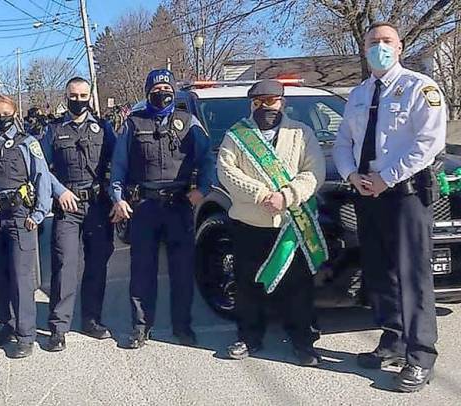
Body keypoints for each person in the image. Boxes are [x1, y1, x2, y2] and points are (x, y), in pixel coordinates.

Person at [333, 22, 446, 392]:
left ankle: (420, 356)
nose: (379, 47)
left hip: (406, 195)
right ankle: (393, 340)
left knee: (413, 276)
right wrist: (352, 175)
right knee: (380, 272)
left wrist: (388, 177)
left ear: (399, 47)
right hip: (366, 194)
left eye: (386, 41)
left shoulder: (420, 88)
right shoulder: (358, 94)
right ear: (364, 49)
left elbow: (428, 143)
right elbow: (343, 143)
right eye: (372, 42)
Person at [217, 79, 327, 366]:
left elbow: (315, 171)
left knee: (298, 287)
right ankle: (249, 336)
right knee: (247, 284)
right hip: (249, 223)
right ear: (251, 103)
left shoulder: (301, 133)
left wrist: (287, 196)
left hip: (291, 224)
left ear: (283, 102)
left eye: (271, 101)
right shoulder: (236, 135)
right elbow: (227, 172)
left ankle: (303, 341)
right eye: (259, 102)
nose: (265, 107)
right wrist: (263, 194)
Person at [110, 69, 213, 349]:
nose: (162, 92)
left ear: (174, 90)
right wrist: (118, 198)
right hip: (144, 207)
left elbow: (207, 160)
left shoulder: (188, 122)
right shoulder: (133, 123)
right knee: (142, 271)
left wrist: (201, 190)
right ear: (147, 93)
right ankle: (140, 327)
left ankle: (182, 327)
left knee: (181, 270)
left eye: (167, 87)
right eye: (156, 89)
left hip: (179, 205)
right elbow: (118, 165)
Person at [0, 95, 52, 359]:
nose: (1, 117)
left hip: (20, 216)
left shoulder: (28, 143)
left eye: (5, 113)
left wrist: (39, 214)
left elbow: (42, 179)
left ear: (14, 113)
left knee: (21, 278)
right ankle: (7, 325)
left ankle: (25, 335)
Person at [40, 77, 116, 351]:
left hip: (98, 206)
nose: (79, 100)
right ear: (66, 96)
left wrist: (117, 198)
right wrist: (59, 191)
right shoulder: (53, 130)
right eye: (74, 95)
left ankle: (91, 320)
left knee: (97, 264)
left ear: (90, 97)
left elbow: (117, 164)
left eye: (84, 95)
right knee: (65, 265)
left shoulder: (104, 129)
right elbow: (41, 168)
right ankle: (58, 328)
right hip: (67, 207)